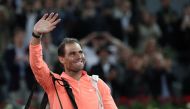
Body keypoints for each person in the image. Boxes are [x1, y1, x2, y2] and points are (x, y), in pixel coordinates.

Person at [29, 12, 117, 109]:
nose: (79, 56)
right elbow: (37, 65)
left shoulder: (98, 84)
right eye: (72, 53)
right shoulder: (53, 82)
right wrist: (36, 35)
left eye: (80, 52)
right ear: (61, 59)